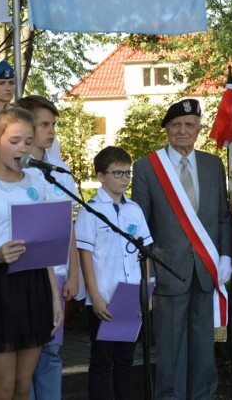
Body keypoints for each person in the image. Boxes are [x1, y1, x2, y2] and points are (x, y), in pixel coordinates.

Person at [132, 99, 232, 399]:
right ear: (166, 129)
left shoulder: (213, 164)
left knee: (203, 346)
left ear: (199, 129)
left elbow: (222, 217)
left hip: (206, 270)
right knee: (170, 349)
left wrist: (225, 255)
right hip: (168, 272)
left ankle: (205, 395)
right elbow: (141, 226)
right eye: (175, 125)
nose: (182, 131)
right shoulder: (148, 167)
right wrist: (147, 273)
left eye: (189, 125)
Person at [0, 105, 63, 398]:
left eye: (28, 141)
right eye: (14, 141)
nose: (22, 148)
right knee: (3, 386)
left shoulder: (39, 183)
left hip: (34, 285)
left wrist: (54, 297)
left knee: (22, 384)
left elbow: (45, 247)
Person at [17, 95, 83, 400]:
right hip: (25, 273)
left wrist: (73, 274)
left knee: (51, 351)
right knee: (25, 354)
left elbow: (68, 225)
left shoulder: (61, 171)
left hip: (57, 272)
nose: (51, 131)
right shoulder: (15, 170)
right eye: (44, 124)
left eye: (53, 124)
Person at [76, 146, 153, 400]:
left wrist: (146, 292)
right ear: (100, 176)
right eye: (117, 173)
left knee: (125, 361)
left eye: (127, 173)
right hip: (105, 297)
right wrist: (94, 296)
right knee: (101, 361)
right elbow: (85, 255)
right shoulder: (91, 210)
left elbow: (146, 253)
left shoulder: (134, 210)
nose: (124, 178)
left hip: (131, 296)